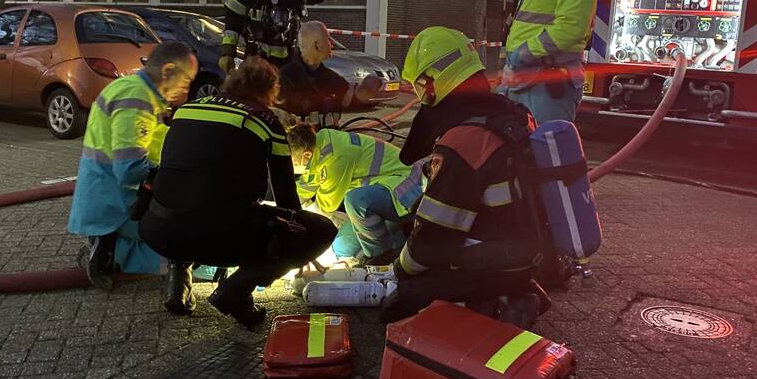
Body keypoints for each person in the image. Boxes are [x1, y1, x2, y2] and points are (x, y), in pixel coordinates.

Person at [140, 57, 337, 328]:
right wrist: (299, 246)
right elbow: (288, 201)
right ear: (270, 90)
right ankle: (235, 291)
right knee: (322, 230)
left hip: (158, 230)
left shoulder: (188, 109)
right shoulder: (265, 120)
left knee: (191, 197)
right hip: (218, 237)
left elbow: (183, 173)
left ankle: (178, 277)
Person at [382, 26, 550, 327]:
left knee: (399, 304)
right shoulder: (512, 114)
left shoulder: (463, 140)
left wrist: (398, 271)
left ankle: (496, 303)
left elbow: (433, 237)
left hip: (496, 260)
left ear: (431, 81)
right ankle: (515, 291)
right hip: (529, 251)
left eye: (420, 84)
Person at [68, 42, 198, 300]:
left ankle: (108, 246)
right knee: (185, 240)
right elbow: (130, 169)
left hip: (109, 199)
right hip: (119, 204)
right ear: (167, 71)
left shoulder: (131, 89)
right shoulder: (137, 99)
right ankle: (110, 249)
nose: (186, 90)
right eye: (185, 81)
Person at [287, 123, 426, 265]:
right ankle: (395, 236)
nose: (291, 166)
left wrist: (300, 234)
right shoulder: (319, 146)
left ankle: (381, 256)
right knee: (342, 248)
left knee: (354, 200)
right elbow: (304, 188)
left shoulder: (335, 155)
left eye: (292, 162)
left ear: (306, 155)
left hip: (403, 191)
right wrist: (282, 210)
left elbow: (324, 209)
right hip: (377, 194)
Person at [277, 21, 353, 120]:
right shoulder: (284, 79)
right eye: (328, 40)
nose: (332, 45)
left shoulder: (333, 78)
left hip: (329, 135)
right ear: (317, 45)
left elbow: (352, 99)